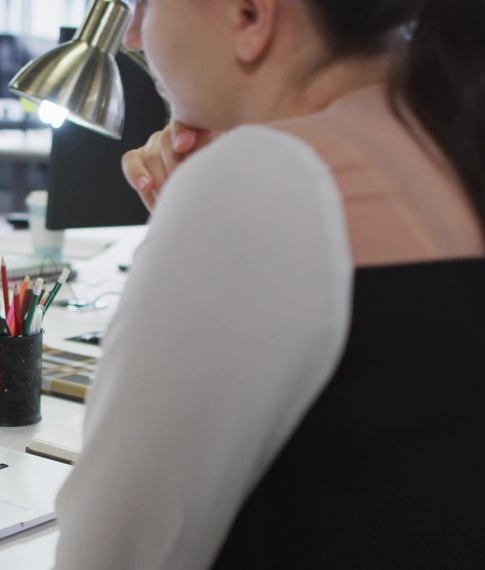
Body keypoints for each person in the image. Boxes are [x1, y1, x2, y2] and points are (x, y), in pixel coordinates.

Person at [55, 1, 485, 568]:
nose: (132, 35)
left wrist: (210, 210)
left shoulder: (264, 180)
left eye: (148, 4)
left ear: (251, 15)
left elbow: (112, 552)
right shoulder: (447, 141)